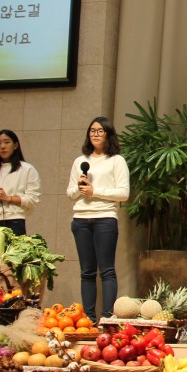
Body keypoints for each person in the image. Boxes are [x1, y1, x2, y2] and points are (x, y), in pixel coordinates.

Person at [67, 117, 130, 321]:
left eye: (100, 131)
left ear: (108, 134)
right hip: (81, 219)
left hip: (105, 218)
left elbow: (123, 193)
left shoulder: (116, 160)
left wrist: (95, 191)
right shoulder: (80, 161)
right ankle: (89, 319)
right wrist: (79, 187)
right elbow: (70, 193)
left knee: (107, 271)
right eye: (92, 130)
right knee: (87, 272)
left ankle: (107, 318)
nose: (95, 134)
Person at [0, 129, 41, 237]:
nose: (2, 146)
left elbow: (33, 199)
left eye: (7, 142)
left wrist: (9, 198)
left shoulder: (27, 169)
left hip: (15, 221)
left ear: (15, 145)